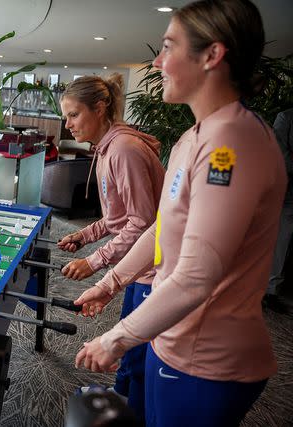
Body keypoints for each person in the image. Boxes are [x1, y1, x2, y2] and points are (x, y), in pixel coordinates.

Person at [74, 1, 286, 426]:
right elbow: (161, 226)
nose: (158, 60)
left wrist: (116, 339)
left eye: (170, 45)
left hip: (205, 361)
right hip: (171, 341)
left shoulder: (232, 143)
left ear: (212, 55)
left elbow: (197, 275)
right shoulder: (193, 137)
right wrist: (111, 282)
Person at [57, 74, 165, 420]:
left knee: (138, 350)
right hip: (141, 268)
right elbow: (119, 218)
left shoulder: (123, 150)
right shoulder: (107, 149)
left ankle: (128, 407)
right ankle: (122, 399)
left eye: (74, 114)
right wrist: (84, 235)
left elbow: (143, 224)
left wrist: (95, 261)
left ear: (100, 108)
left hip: (156, 269)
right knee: (133, 346)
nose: (67, 123)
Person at [263, 107, 293, 313]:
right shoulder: (286, 117)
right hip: (285, 192)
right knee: (281, 239)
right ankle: (269, 291)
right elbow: (280, 155)